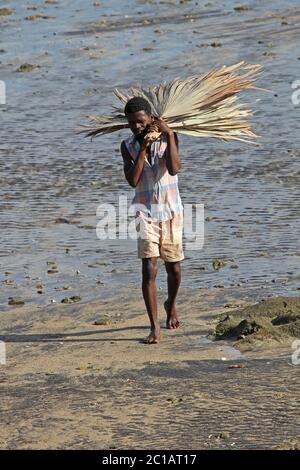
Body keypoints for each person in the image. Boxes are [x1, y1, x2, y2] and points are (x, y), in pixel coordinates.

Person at [120, 96, 184, 344]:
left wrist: (168, 135)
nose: (136, 127)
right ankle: (154, 327)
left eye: (140, 122)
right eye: (131, 124)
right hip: (145, 212)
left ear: (150, 118)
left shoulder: (170, 137)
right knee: (149, 269)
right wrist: (143, 147)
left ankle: (171, 304)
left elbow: (175, 168)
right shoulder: (128, 146)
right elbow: (132, 180)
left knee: (175, 268)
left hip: (171, 212)